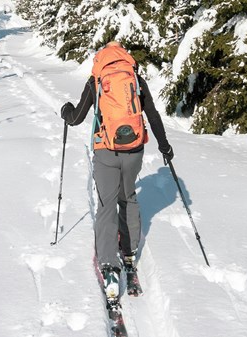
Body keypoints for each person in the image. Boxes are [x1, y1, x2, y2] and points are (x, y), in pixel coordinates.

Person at [60, 41, 173, 301]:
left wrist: (66, 111)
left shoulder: (96, 81)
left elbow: (76, 118)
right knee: (129, 196)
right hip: (134, 150)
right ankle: (130, 250)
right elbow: (153, 116)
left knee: (106, 204)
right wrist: (165, 147)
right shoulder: (134, 78)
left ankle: (109, 265)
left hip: (106, 151)